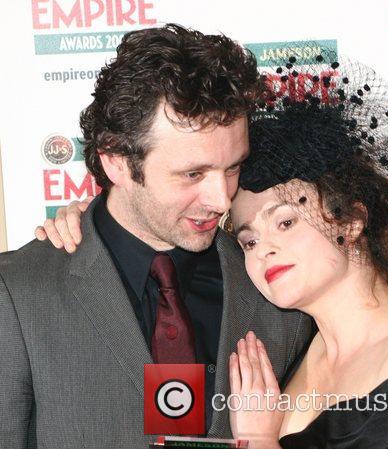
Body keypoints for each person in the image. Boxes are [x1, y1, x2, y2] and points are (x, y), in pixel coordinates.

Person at [43, 54, 388, 448]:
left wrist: (257, 439)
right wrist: (106, 223)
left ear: (352, 219)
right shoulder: (299, 340)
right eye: (249, 240)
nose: (264, 252)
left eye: (286, 222)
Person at [0, 24, 312, 449]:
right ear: (117, 163)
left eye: (233, 167)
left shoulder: (277, 288)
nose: (221, 199)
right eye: (193, 174)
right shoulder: (18, 295)